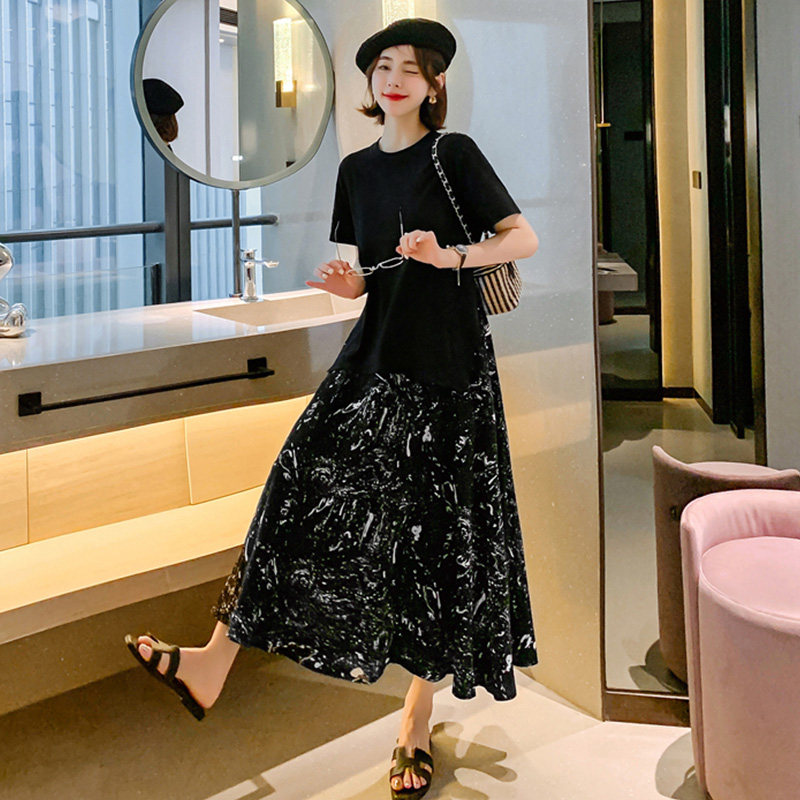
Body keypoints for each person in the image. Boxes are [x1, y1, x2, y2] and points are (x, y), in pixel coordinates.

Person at [125, 18, 540, 799]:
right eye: (383, 66)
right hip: (374, 358)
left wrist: (450, 255)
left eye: (410, 69)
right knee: (294, 487)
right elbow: (372, 273)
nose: (394, 79)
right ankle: (212, 662)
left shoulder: (454, 154)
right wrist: (352, 286)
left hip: (450, 372)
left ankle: (415, 718)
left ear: (434, 83)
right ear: (370, 81)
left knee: (435, 541)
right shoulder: (356, 170)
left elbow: (523, 239)